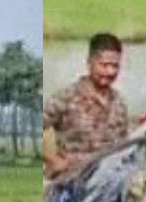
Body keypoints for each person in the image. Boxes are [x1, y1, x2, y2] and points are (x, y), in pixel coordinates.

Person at [43, 33, 129, 179]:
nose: (110, 72)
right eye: (104, 65)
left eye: (115, 66)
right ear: (89, 63)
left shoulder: (119, 102)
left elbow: (124, 143)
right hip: (72, 181)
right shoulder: (67, 97)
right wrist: (53, 160)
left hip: (109, 181)